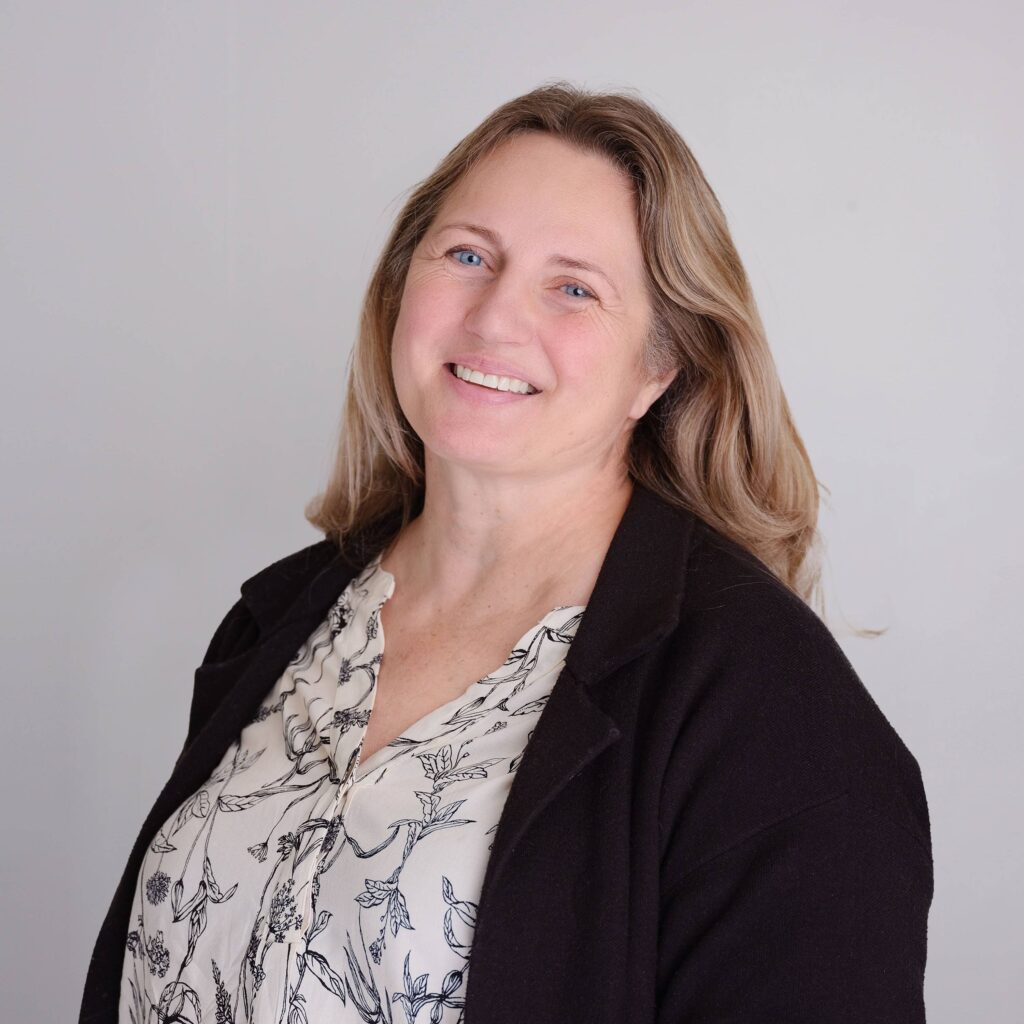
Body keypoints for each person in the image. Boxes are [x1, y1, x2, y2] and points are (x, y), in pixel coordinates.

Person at [80, 82, 933, 1024]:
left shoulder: (771, 706)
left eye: (574, 287)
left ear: (660, 366)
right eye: (467, 255)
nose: (493, 318)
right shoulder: (278, 619)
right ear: (404, 288)